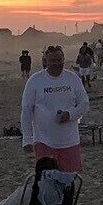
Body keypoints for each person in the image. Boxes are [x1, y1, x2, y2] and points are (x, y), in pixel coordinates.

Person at [20, 45, 90, 173]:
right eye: (53, 61)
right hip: (44, 141)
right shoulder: (35, 81)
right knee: (47, 181)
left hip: (70, 141)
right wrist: (27, 139)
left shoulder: (72, 79)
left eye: (59, 60)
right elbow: (26, 110)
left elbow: (84, 104)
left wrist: (69, 115)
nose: (57, 64)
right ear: (45, 61)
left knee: (69, 181)